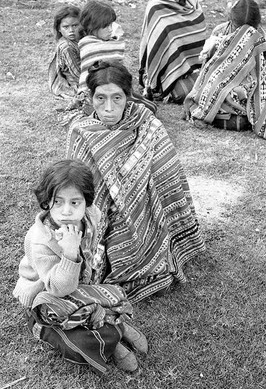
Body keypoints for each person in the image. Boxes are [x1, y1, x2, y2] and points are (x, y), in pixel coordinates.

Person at [66, 61, 205, 303]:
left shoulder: (147, 124)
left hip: (148, 213)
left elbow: (168, 176)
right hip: (104, 219)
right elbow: (77, 193)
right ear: (90, 97)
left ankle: (151, 253)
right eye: (100, 98)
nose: (108, 107)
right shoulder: (81, 133)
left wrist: (132, 190)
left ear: (128, 97)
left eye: (117, 98)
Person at [13, 159, 148, 375]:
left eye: (75, 202)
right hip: (48, 297)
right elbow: (59, 289)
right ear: (47, 202)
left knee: (113, 295)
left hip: (81, 285)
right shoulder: (40, 239)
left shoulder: (91, 216)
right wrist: (68, 253)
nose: (66, 211)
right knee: (79, 339)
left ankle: (114, 324)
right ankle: (114, 335)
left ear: (86, 202)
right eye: (58, 202)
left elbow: (94, 246)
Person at [183, 0, 266, 141]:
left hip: (239, 88)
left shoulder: (260, 37)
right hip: (215, 85)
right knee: (222, 89)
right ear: (230, 20)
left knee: (240, 92)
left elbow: (260, 73)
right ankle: (232, 118)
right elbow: (209, 66)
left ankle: (218, 115)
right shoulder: (221, 31)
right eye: (237, 28)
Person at [139, 0, 207, 104]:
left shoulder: (193, 3)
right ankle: (171, 80)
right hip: (167, 70)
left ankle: (192, 74)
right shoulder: (155, 7)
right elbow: (154, 41)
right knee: (185, 92)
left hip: (195, 67)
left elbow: (199, 35)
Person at [77, 0, 157, 114]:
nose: (110, 30)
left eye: (111, 25)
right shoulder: (89, 45)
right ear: (91, 26)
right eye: (105, 27)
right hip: (94, 93)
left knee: (150, 107)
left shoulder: (106, 41)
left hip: (113, 87)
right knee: (146, 110)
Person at [48, 5, 82, 110]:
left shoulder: (80, 39)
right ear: (59, 28)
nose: (71, 30)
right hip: (74, 82)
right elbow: (77, 74)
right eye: (66, 27)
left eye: (75, 25)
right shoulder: (67, 47)